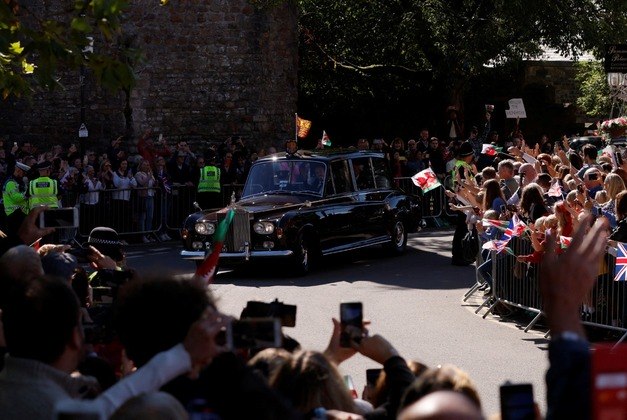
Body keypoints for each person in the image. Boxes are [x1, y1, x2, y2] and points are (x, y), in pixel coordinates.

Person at [0, 276, 227, 419]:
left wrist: (74, 385)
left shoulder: (12, 385)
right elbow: (99, 412)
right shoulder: (49, 408)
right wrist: (183, 355)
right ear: (75, 337)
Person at [2, 161, 30, 236]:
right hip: (13, 215)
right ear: (18, 170)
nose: (24, 175)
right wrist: (27, 195)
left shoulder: (20, 182)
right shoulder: (10, 183)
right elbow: (16, 198)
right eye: (23, 173)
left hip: (20, 214)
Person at [134, 159, 157, 243]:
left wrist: (155, 182)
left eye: (147, 165)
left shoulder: (150, 174)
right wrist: (149, 177)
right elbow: (142, 183)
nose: (146, 166)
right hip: (143, 197)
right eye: (144, 165)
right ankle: (142, 235)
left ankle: (148, 234)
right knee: (142, 217)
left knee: (150, 217)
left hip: (151, 196)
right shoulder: (138, 174)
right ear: (140, 166)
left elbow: (153, 184)